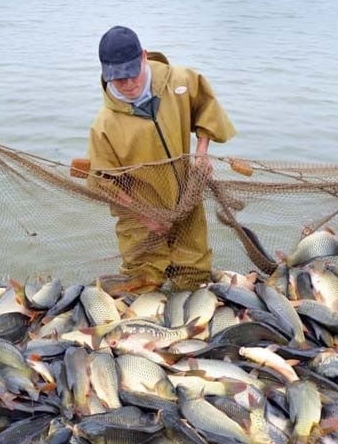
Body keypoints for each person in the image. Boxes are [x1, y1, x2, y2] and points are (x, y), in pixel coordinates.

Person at [86, 26, 235, 292]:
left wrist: (201, 153)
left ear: (144, 57)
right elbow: (102, 183)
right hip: (139, 207)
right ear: (106, 73)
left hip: (186, 197)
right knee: (143, 281)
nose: (129, 85)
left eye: (132, 74)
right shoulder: (104, 125)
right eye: (118, 79)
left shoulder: (180, 80)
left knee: (193, 273)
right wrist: (145, 216)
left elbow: (206, 111)